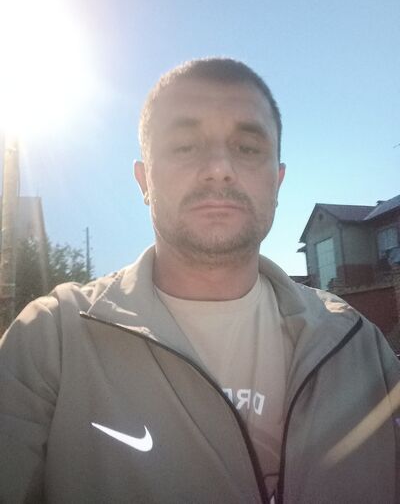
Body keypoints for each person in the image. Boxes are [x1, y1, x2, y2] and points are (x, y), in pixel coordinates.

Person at [0, 58, 399, 504]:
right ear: (144, 180)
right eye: (186, 146)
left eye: (248, 148)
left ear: (277, 181)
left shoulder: (357, 343)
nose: (219, 167)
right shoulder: (51, 341)